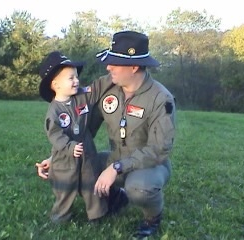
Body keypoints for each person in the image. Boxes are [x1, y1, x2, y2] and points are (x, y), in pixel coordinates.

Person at [37, 31, 176, 239]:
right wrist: (56, 156)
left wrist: (116, 168)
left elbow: (159, 149)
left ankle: (152, 218)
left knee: (139, 188)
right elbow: (82, 128)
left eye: (114, 63)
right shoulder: (106, 86)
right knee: (74, 166)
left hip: (149, 165)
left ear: (134, 67)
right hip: (115, 158)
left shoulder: (160, 98)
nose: (108, 67)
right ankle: (115, 198)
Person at [36, 51, 113, 223]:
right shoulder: (54, 111)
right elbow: (54, 134)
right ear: (56, 85)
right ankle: (60, 217)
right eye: (71, 78)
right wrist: (69, 146)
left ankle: (97, 214)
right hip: (64, 158)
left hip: (87, 152)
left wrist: (112, 74)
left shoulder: (82, 96)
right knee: (65, 189)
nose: (76, 81)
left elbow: (98, 87)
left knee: (91, 183)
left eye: (76, 77)